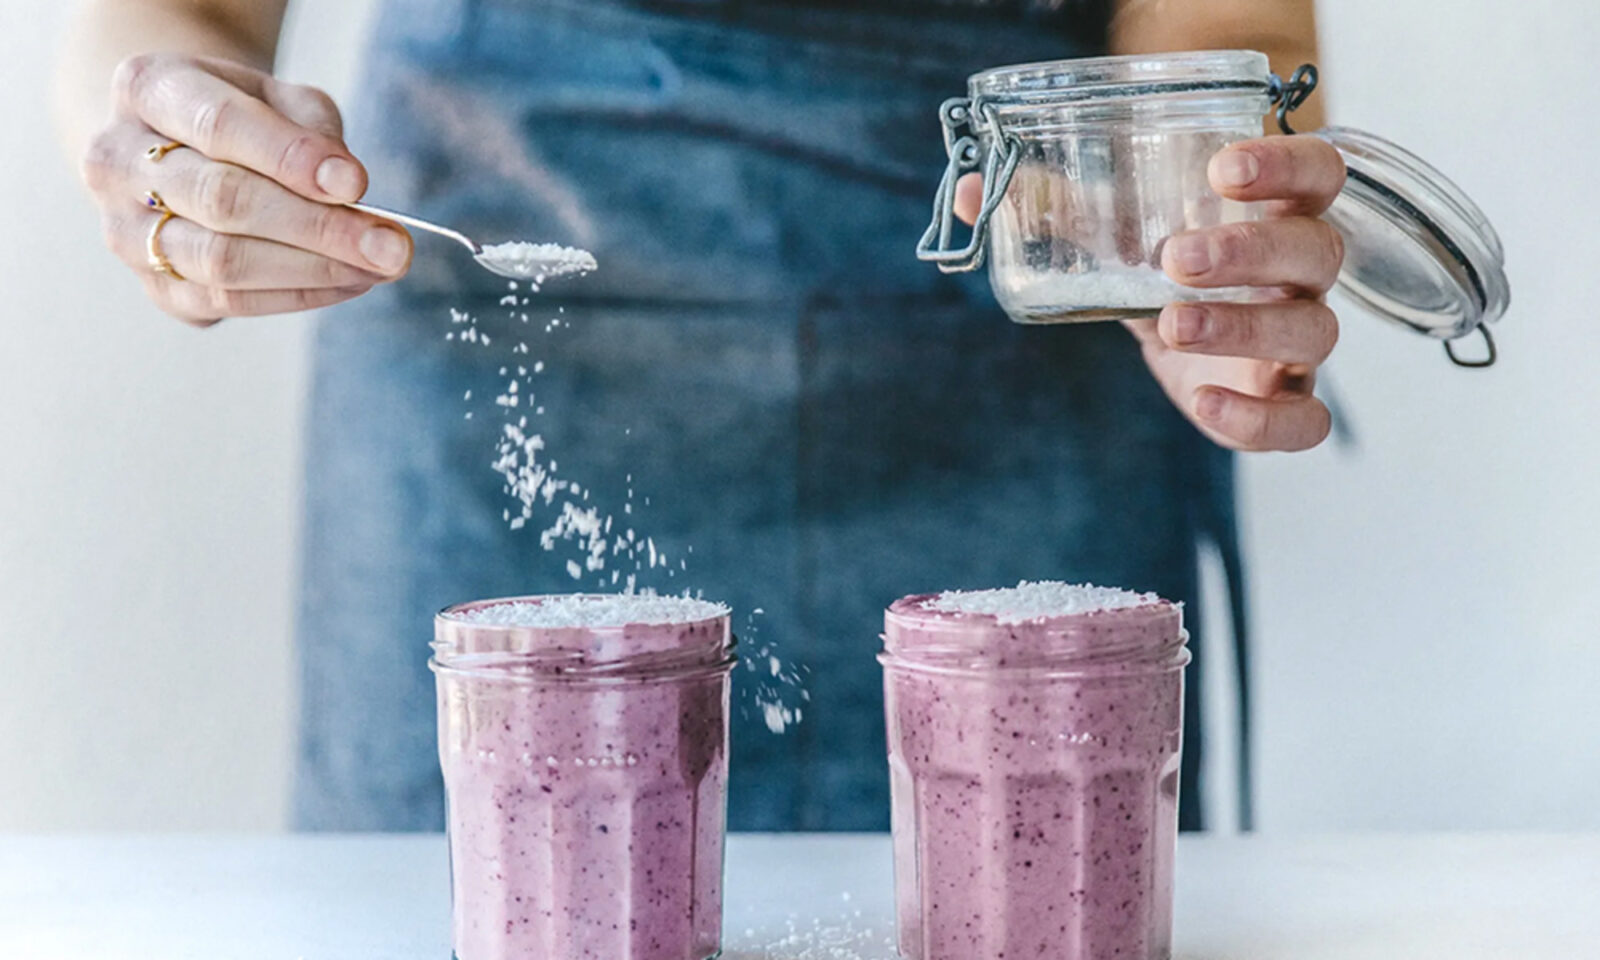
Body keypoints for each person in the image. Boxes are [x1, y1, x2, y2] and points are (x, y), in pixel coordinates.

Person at [59, 0, 1343, 833]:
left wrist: (1190, 217)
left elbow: (1228, 19)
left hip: (1017, 321)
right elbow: (176, 19)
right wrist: (167, 149)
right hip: (495, 375)